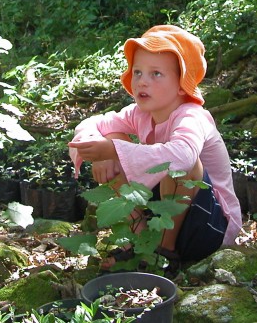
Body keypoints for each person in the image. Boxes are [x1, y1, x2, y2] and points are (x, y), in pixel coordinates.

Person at [68, 25, 242, 272]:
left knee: (183, 162)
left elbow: (182, 157)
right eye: (137, 72)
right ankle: (141, 244)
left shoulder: (192, 117)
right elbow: (90, 124)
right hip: (162, 216)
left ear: (182, 84)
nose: (142, 81)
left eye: (156, 74)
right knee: (112, 133)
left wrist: (113, 150)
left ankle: (164, 252)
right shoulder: (140, 114)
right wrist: (101, 154)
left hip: (208, 227)